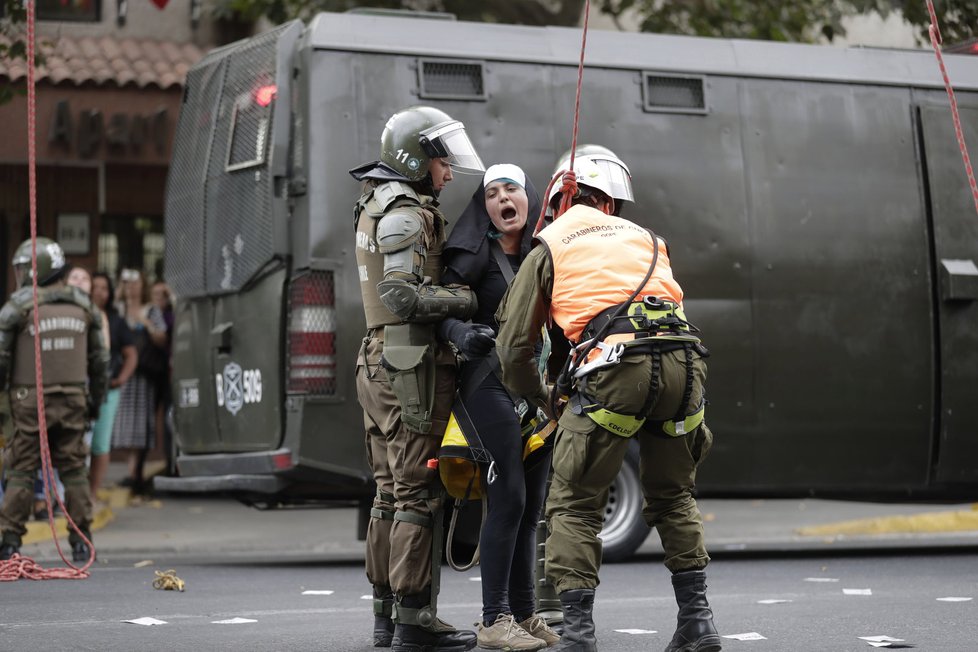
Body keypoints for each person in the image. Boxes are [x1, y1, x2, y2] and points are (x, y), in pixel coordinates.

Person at [494, 154, 722, 652]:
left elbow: (513, 349)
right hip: (684, 363)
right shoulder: (646, 238)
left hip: (616, 366)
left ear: (556, 202)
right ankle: (698, 622)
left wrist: (543, 398)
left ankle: (578, 636)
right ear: (611, 201)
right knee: (674, 496)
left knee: (574, 502)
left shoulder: (548, 245)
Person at [350, 105, 486, 652]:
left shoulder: (374, 200)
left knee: (387, 492)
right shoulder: (405, 210)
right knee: (415, 494)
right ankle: (413, 622)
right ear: (415, 159)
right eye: (441, 161)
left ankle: (386, 617)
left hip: (377, 360)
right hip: (409, 366)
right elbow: (401, 294)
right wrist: (467, 299)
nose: (448, 172)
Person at [440, 164, 558, 650]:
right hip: (486, 383)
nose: (502, 199)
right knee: (508, 496)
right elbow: (440, 312)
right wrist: (463, 333)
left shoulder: (547, 251)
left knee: (531, 505)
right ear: (484, 206)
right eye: (491, 193)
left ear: (528, 197)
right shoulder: (472, 255)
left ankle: (526, 614)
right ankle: (494, 620)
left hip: (536, 388)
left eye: (510, 189)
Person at [0, 238, 108, 562]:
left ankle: (8, 542)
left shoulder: (19, 306)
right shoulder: (84, 306)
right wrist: (95, 403)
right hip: (74, 399)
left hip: (29, 401)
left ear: (37, 269)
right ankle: (81, 539)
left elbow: (1, 360)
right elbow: (100, 363)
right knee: (74, 470)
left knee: (21, 470)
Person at [111, 268, 167, 493]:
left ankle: (135, 473)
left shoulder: (151, 310)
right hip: (120, 373)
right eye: (127, 283)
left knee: (141, 422)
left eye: (135, 283)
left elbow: (162, 338)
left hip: (143, 374)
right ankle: (132, 471)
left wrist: (145, 322)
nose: (131, 287)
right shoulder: (117, 310)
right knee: (120, 423)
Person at [89, 272, 136, 496]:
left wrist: (122, 378)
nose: (99, 292)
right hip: (81, 388)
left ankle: (92, 493)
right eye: (94, 287)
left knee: (100, 443)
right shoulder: (80, 315)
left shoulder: (116, 321)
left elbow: (131, 354)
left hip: (108, 389)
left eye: (103, 288)